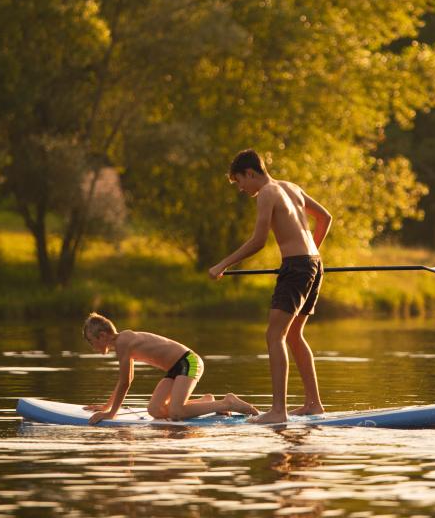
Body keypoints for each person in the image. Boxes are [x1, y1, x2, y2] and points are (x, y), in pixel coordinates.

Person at [209, 149, 332, 424]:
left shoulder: (266, 193)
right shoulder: (292, 188)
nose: (241, 188)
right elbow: (325, 218)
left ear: (251, 173)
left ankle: (279, 412)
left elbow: (258, 241)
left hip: (299, 267)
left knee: (274, 335)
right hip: (314, 263)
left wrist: (222, 265)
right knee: (293, 335)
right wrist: (310, 256)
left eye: (240, 181)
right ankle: (314, 405)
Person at [82, 312, 258, 424]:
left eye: (91, 341)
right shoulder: (123, 342)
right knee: (155, 410)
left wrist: (111, 413)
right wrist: (106, 406)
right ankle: (207, 401)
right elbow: (126, 380)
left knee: (176, 412)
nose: (92, 347)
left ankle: (228, 402)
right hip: (176, 368)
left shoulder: (122, 342)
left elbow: (125, 382)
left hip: (188, 362)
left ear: (102, 336)